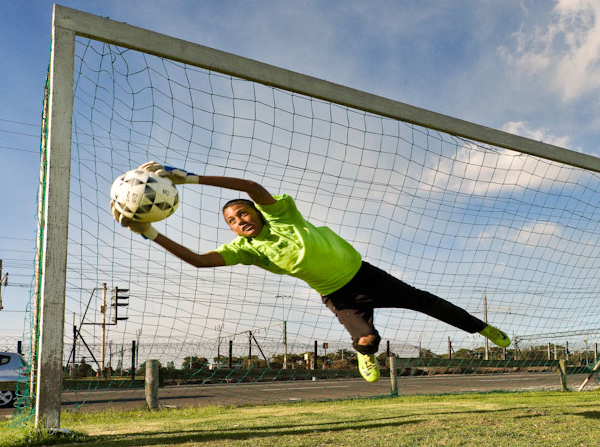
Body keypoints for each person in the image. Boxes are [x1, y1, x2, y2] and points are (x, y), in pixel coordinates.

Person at [112, 162, 511, 382]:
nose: (239, 220)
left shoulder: (281, 215)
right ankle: (365, 355)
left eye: (242, 212)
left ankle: (482, 329)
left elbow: (249, 183)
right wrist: (150, 233)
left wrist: (189, 177)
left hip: (365, 273)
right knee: (368, 337)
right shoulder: (246, 250)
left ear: (254, 210)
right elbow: (199, 261)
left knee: (425, 301)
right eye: (232, 220)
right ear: (232, 229)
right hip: (339, 295)